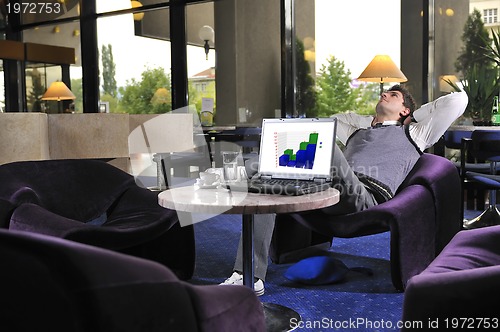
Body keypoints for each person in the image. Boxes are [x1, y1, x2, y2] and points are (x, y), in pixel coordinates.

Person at [221, 85, 469, 295]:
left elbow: (459, 100)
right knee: (265, 183)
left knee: (322, 141)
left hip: (365, 196)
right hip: (329, 188)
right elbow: (335, 119)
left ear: (405, 110)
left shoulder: (416, 132)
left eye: (393, 95)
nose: (384, 94)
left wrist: (411, 116)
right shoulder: (358, 130)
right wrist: (373, 122)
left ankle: (246, 179)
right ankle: (248, 276)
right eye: (385, 92)